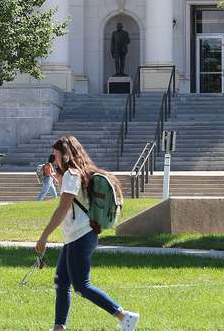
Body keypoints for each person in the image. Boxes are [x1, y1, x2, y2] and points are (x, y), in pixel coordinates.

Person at [35, 136, 139, 331]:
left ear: (64, 155)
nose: (54, 159)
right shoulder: (76, 173)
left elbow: (63, 208)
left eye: (56, 155)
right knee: (61, 282)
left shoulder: (72, 175)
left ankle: (124, 316)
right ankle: (59, 327)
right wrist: (57, 176)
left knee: (82, 286)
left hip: (81, 235)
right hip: (77, 236)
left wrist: (44, 236)